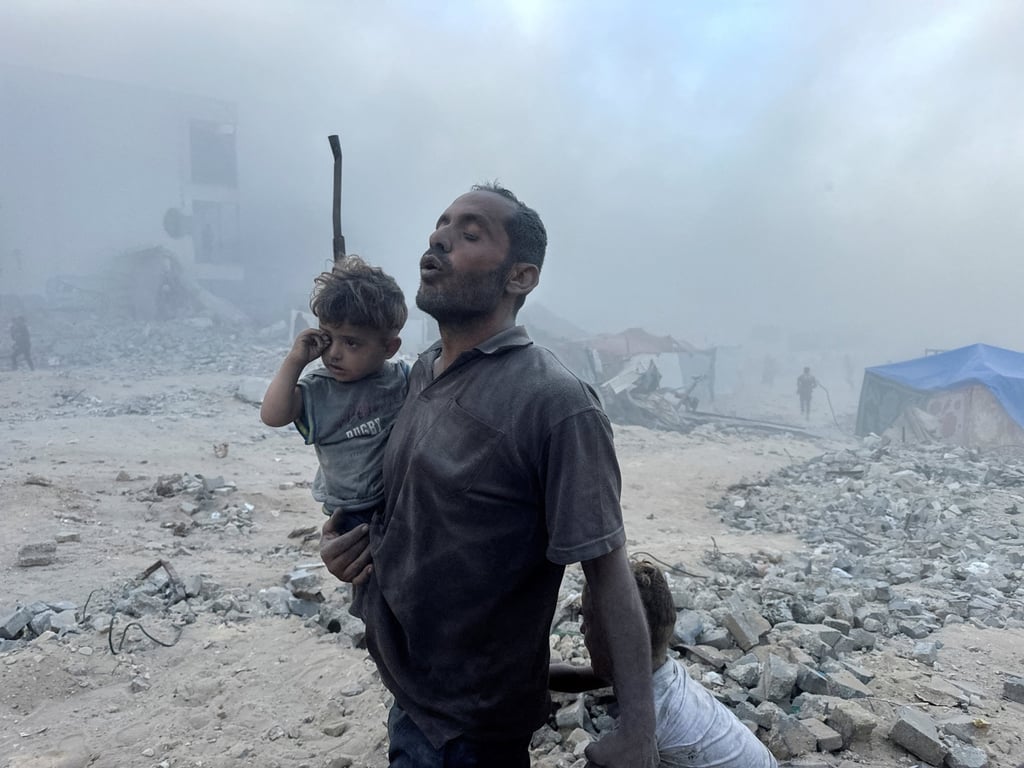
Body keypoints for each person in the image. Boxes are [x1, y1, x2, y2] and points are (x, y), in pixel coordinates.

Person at [320, 184, 657, 768]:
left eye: (470, 233)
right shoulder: (419, 373)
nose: (438, 238)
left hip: (471, 727)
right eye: (440, 226)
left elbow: (607, 568)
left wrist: (639, 731)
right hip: (409, 689)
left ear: (520, 277)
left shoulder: (555, 403)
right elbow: (412, 504)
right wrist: (346, 545)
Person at [550, 560, 779, 767]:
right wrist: (525, 676)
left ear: (615, 642)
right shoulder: (658, 672)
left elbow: (604, 759)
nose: (581, 630)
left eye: (588, 622)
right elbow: (577, 678)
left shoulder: (649, 716)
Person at [260, 255, 408, 538]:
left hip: (398, 501)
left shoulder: (400, 379)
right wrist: (295, 360)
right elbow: (272, 416)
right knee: (364, 571)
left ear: (389, 347)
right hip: (350, 511)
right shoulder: (319, 389)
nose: (334, 353)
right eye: (328, 338)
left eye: (351, 342)